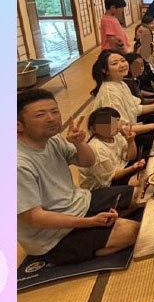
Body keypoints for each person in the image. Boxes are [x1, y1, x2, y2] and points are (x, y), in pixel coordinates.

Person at [17, 89, 140, 265]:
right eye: (40, 115)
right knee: (131, 231)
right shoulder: (17, 165)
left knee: (140, 194)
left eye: (54, 111)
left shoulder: (53, 139)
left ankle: (104, 226)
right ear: (18, 125)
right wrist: (90, 222)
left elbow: (87, 161)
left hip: (80, 201)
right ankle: (61, 257)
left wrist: (79, 143)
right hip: (50, 235)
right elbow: (34, 218)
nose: (51, 118)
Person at [90, 50, 154, 139]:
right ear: (105, 70)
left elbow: (135, 108)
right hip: (121, 140)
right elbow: (121, 128)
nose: (122, 65)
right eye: (114, 63)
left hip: (132, 131)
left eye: (123, 60)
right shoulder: (110, 93)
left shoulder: (121, 83)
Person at [79, 107, 145, 190]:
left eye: (117, 120)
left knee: (149, 161)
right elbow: (111, 177)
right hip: (102, 187)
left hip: (121, 169)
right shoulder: (97, 148)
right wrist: (132, 168)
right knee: (140, 182)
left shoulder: (115, 135)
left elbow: (131, 157)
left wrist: (130, 141)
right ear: (94, 129)